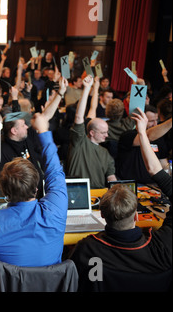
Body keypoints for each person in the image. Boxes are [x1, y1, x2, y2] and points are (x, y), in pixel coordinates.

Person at [68, 108, 171, 292]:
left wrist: (141, 131)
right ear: (137, 217)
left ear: (104, 216)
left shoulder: (87, 250)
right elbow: (157, 172)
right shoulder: (163, 249)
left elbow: (82, 284)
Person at [0, 112, 67, 268]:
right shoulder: (57, 209)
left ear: (5, 190)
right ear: (37, 187)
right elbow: (55, 171)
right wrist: (44, 133)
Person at [66, 75, 117, 189]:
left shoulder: (105, 153)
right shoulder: (79, 142)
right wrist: (87, 89)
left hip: (99, 195)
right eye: (103, 132)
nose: (107, 135)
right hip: (78, 193)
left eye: (106, 132)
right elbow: (79, 117)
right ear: (92, 133)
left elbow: (111, 177)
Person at [116, 105, 171, 184]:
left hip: (154, 185)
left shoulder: (159, 139)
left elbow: (164, 164)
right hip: (132, 185)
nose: (155, 124)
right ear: (140, 120)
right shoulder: (128, 136)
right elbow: (147, 136)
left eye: (156, 120)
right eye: (151, 121)